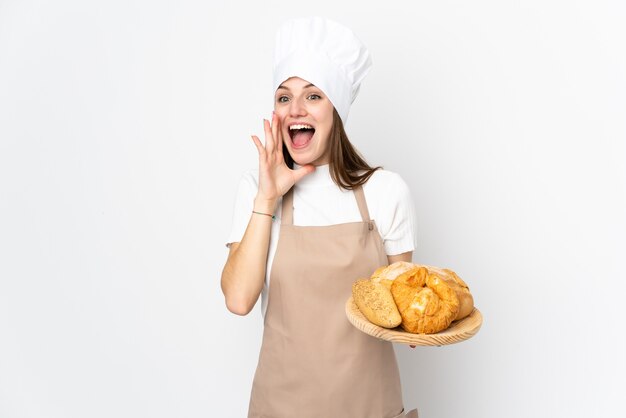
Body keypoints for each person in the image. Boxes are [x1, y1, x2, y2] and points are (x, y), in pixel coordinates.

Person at [221, 17, 418, 418]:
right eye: (283, 97)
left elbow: (404, 312)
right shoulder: (255, 191)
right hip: (281, 407)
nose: (296, 109)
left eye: (313, 96)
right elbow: (239, 299)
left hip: (371, 408)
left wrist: (421, 324)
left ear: (337, 111)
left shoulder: (385, 192)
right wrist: (268, 197)